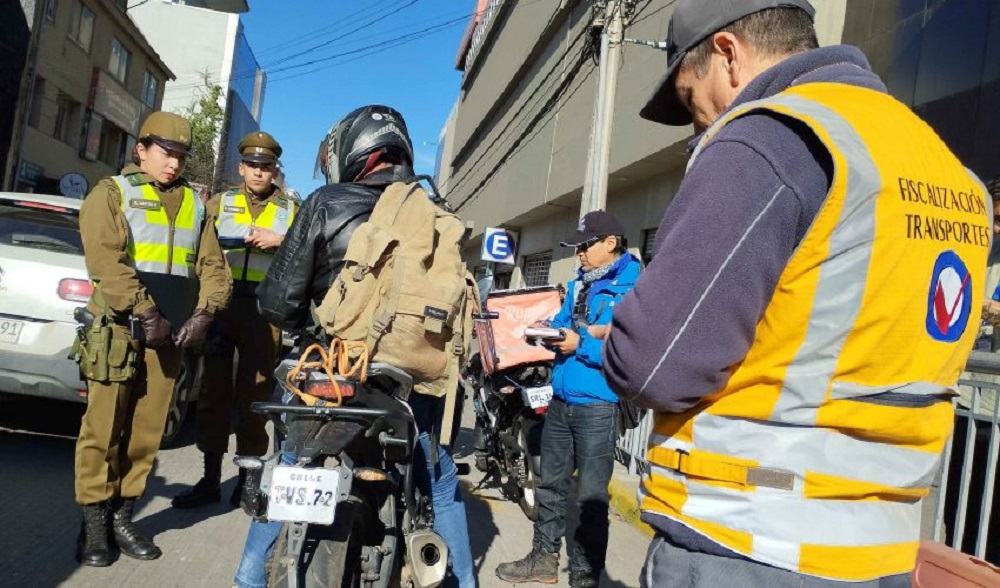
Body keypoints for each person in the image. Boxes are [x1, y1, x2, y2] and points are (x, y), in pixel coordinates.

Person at [600, 1, 993, 586]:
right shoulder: (950, 173)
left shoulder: (770, 137)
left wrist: (618, 340)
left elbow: (656, 364)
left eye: (689, 98)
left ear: (729, 55)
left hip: (748, 536)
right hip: (880, 550)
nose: (697, 123)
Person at [232, 105, 475, 588]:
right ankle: (463, 583)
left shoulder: (326, 201)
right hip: (406, 385)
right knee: (442, 483)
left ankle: (247, 578)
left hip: (328, 374)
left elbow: (277, 304)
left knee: (289, 467)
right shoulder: (437, 214)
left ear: (352, 150)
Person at [73, 111, 232, 566]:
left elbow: (214, 268)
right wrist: (144, 309)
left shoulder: (196, 205)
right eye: (166, 152)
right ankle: (94, 524)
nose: (174, 164)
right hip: (119, 329)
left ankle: (124, 516)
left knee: (146, 432)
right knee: (103, 429)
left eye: (181, 156)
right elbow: (106, 261)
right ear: (141, 149)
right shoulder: (112, 193)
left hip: (169, 337)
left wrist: (204, 313)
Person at [496, 211, 641, 588]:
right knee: (550, 485)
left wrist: (584, 344)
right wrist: (543, 331)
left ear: (610, 243)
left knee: (591, 496)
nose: (578, 252)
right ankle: (544, 560)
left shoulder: (635, 287)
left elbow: (631, 347)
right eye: (575, 246)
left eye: (584, 245)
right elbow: (563, 321)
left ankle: (585, 574)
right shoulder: (579, 285)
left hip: (599, 404)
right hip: (561, 400)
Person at [173, 131, 296, 510]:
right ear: (242, 168)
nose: (259, 173)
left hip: (263, 313)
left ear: (274, 170)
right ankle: (210, 479)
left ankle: (247, 483)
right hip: (222, 309)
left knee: (254, 398)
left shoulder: (293, 210)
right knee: (213, 395)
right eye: (253, 166)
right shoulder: (219, 203)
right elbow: (196, 248)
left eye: (266, 167)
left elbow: (308, 253)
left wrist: (282, 240)